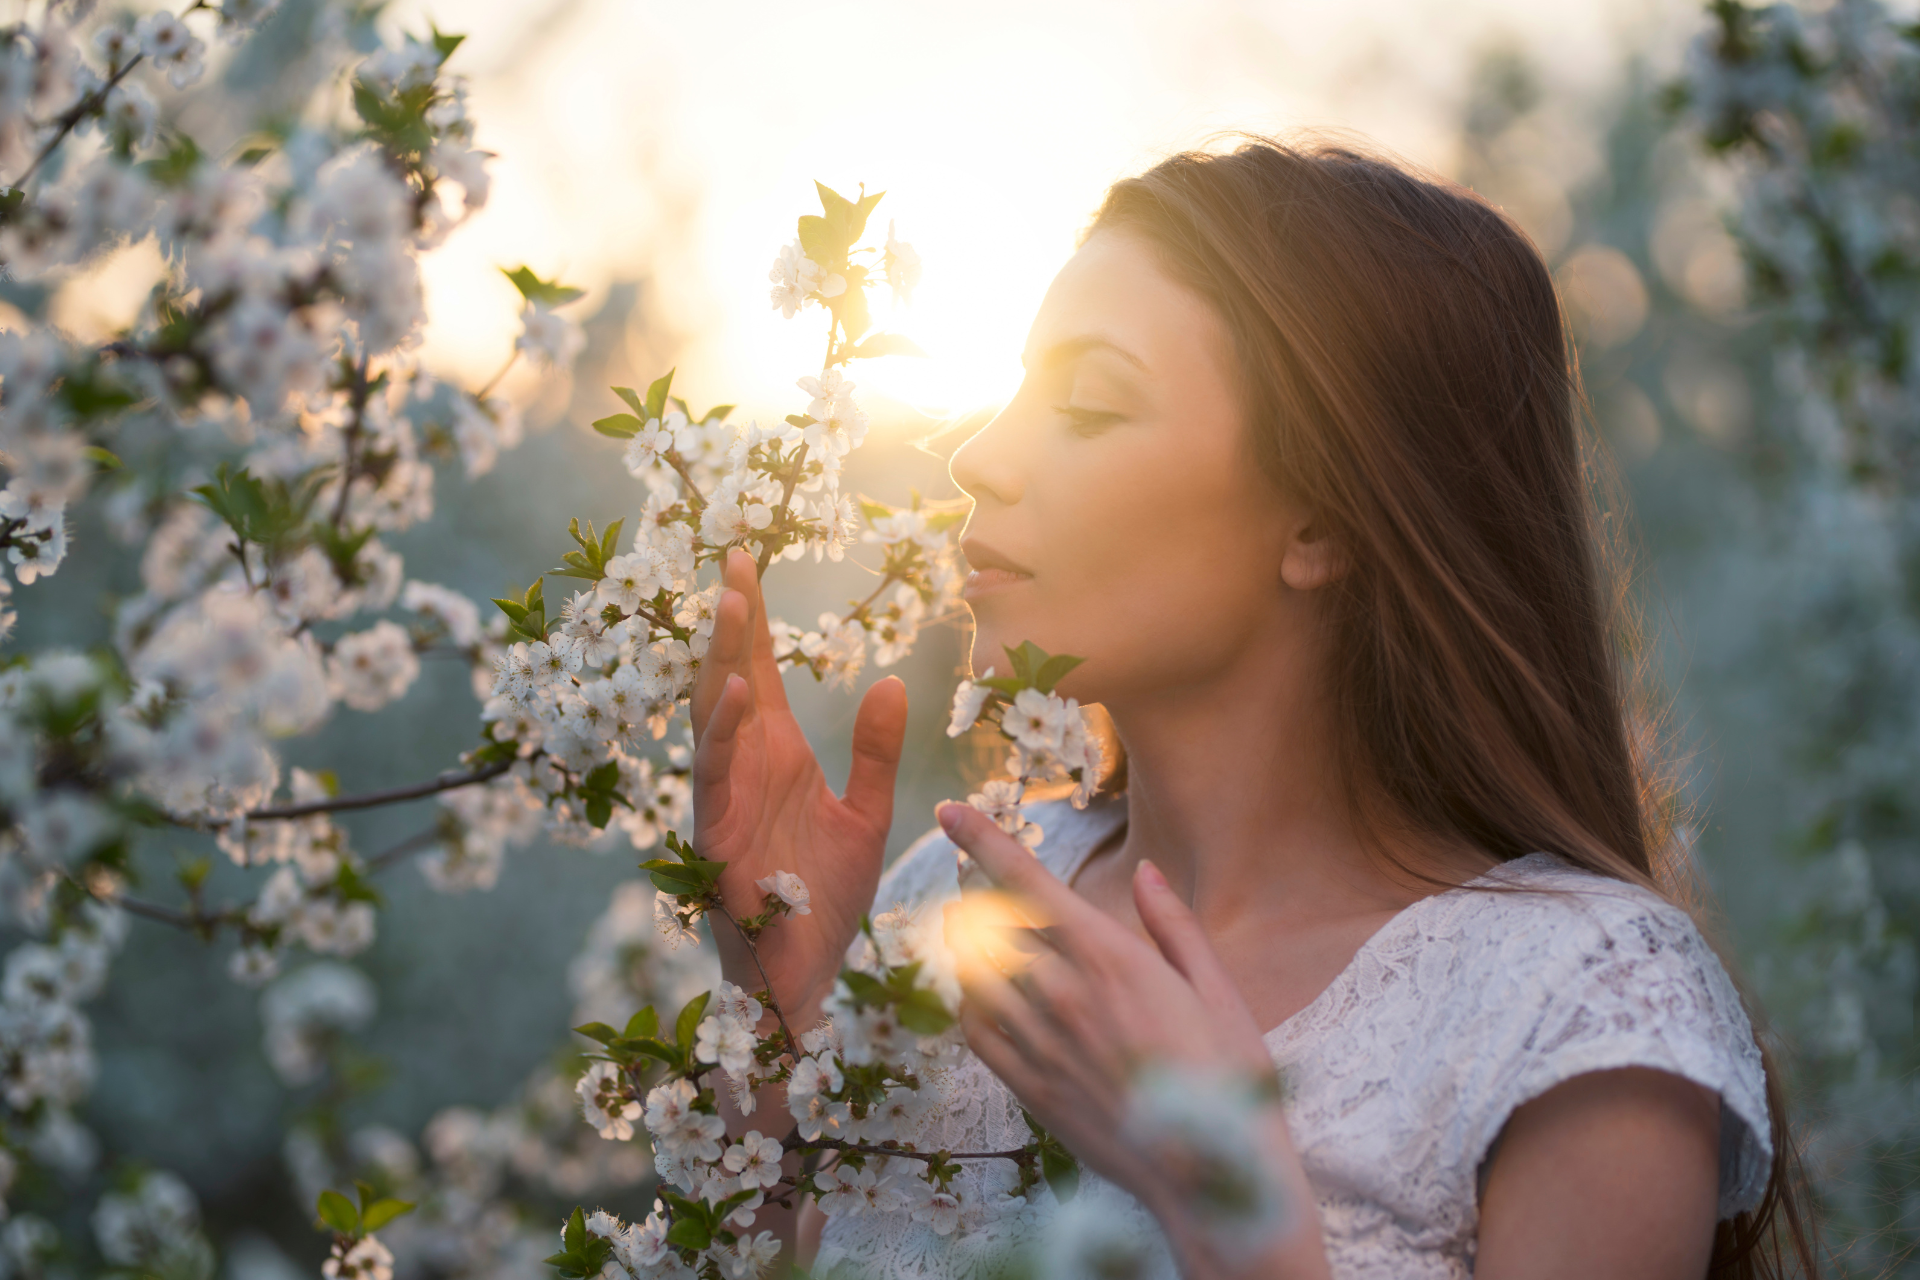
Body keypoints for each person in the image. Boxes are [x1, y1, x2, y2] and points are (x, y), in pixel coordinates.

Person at [686, 135, 1817, 1278]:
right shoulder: (959, 896)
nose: (980, 457)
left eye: (1088, 400)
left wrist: (1228, 1209)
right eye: (1017, 389)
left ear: (1321, 522)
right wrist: (779, 1016)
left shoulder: (1584, 1011)